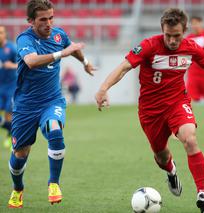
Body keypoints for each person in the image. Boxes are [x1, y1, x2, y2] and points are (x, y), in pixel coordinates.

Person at [95, 8, 204, 213]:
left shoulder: (191, 48)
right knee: (161, 156)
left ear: (184, 31)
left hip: (177, 102)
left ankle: (202, 192)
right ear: (162, 30)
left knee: (190, 138)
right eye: (168, 35)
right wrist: (104, 88)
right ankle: (171, 171)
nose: (173, 40)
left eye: (177, 36)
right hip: (150, 110)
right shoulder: (149, 46)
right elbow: (124, 67)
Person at [8, 0, 95, 208]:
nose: (49, 23)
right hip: (26, 105)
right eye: (43, 19)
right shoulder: (24, 39)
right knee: (20, 154)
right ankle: (18, 189)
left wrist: (84, 62)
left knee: (55, 131)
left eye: (51, 18)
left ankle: (53, 183)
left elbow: (71, 48)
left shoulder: (58, 35)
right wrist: (60, 54)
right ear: (31, 21)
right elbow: (31, 61)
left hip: (51, 100)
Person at [0, 25, 18, 149]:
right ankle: (11, 131)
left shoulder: (11, 48)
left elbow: (21, 65)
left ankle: (10, 137)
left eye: (1, 32)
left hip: (11, 87)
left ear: (5, 34)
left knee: (8, 114)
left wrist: (10, 65)